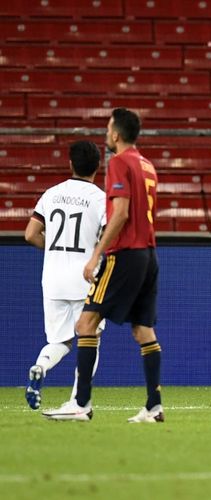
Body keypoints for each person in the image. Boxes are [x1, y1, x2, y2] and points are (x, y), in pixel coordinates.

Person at [43, 108, 163, 423]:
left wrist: (97, 253)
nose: (106, 133)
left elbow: (121, 213)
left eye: (109, 128)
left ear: (117, 134)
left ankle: (80, 404)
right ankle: (154, 406)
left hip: (126, 254)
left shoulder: (119, 163)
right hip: (149, 254)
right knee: (142, 330)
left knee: (85, 325)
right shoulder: (147, 165)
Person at [24, 141, 106, 410]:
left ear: (70, 164)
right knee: (89, 338)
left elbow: (30, 234)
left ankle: (41, 365)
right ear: (98, 167)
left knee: (59, 341)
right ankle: (76, 399)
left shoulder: (51, 194)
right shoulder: (99, 198)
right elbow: (109, 236)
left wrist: (51, 247)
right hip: (86, 278)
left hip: (53, 278)